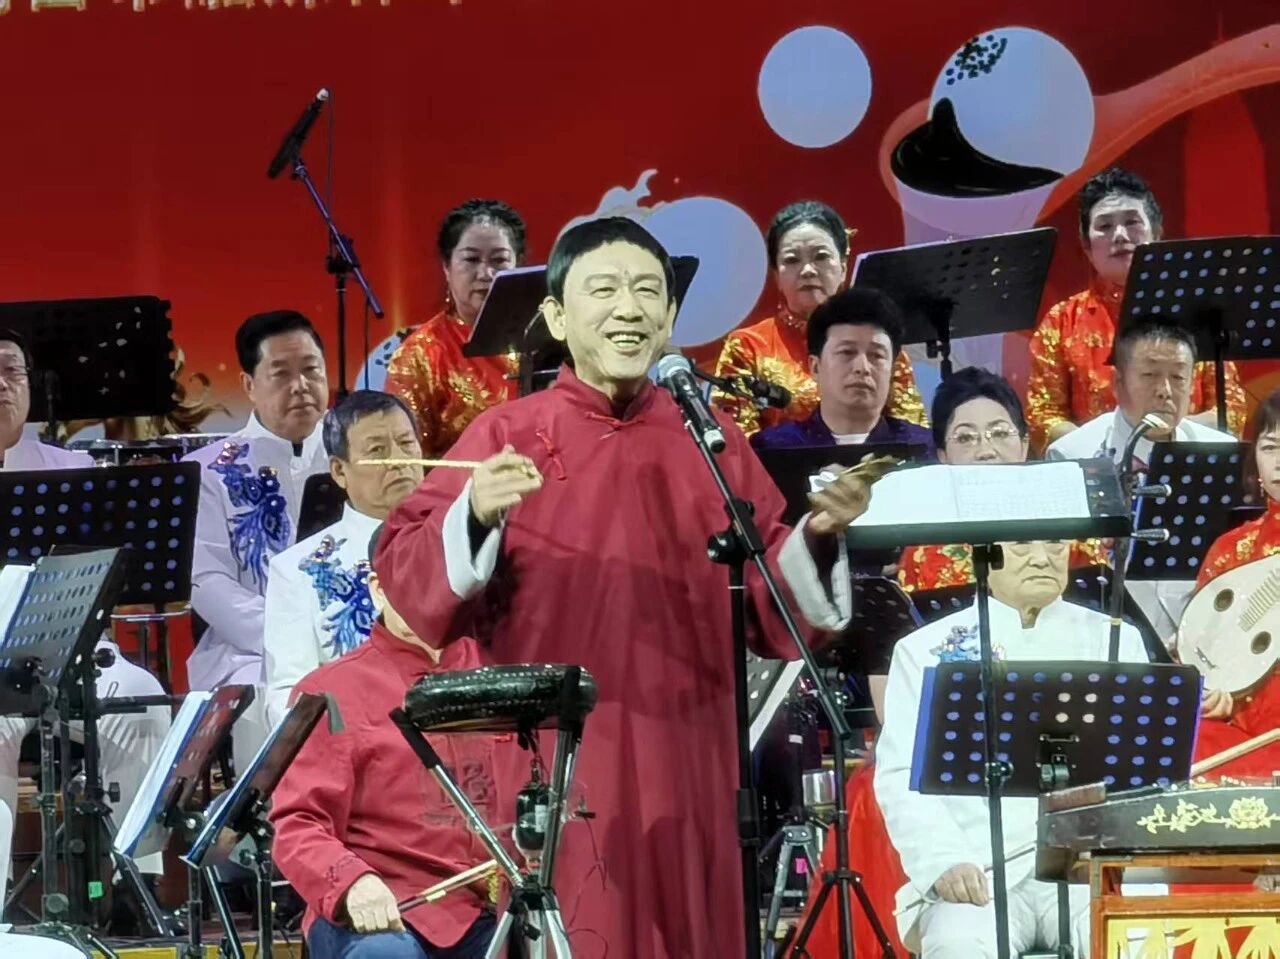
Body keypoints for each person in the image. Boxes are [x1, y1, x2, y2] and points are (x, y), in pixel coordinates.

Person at [375, 217, 870, 958]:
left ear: (669, 316)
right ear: (556, 317)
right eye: (603, 290)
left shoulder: (710, 438)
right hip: (565, 758)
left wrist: (819, 534)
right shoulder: (506, 435)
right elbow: (407, 574)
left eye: (647, 292)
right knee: (588, 923)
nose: (629, 309)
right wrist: (474, 512)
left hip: (694, 751)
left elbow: (770, 599)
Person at [875, 538, 1150, 958]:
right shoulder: (925, 649)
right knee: (957, 944)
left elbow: (1141, 773)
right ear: (985, 556)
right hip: (977, 872)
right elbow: (899, 775)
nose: (1041, 558)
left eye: (1055, 544)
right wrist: (944, 860)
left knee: (1136, 943)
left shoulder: (1116, 640)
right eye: (1021, 545)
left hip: (1084, 871)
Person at [271, 525, 500, 959]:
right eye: (411, 580)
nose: (428, 597)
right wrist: (351, 881)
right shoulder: (329, 691)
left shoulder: (501, 674)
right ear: (378, 589)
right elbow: (299, 823)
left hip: (488, 905)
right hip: (386, 904)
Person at [0, 330, 170, 893]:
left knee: (140, 699)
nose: (2, 385)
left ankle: (133, 888)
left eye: (12, 371)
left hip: (71, 650)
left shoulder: (72, 471)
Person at [185, 310, 329, 772]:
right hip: (248, 650)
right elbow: (207, 581)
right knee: (266, 694)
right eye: (281, 374)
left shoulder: (356, 455)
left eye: (311, 370)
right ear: (249, 385)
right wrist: (289, 636)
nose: (301, 386)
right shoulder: (211, 471)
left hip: (349, 634)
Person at [1026, 167, 1245, 451]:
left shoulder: (1198, 313)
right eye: (1104, 226)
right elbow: (1043, 418)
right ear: (1086, 247)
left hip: (1184, 464)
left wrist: (1161, 439)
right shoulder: (1061, 321)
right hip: (1098, 468)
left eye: (1131, 222)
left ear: (1156, 233)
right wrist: (1113, 448)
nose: (1119, 235)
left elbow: (1230, 411)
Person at [262, 390, 424, 725]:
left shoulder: (461, 543)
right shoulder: (297, 570)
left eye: (407, 444)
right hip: (359, 740)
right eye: (377, 450)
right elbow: (287, 696)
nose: (399, 460)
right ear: (338, 471)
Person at [713, 200, 925, 436]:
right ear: (776, 276)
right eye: (792, 260)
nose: (808, 270)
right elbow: (735, 442)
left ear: (843, 267)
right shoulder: (748, 346)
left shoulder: (878, 343)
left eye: (821, 257)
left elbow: (911, 434)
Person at [900, 367, 1104, 592]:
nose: (986, 451)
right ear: (943, 456)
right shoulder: (925, 549)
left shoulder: (1069, 531)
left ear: (1024, 445)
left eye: (1000, 434)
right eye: (965, 438)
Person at [1181, 386, 1280, 779]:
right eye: (1270, 447)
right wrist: (1211, 693)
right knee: (1183, 741)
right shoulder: (1230, 548)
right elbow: (1201, 652)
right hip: (1240, 728)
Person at [385, 199, 527, 457]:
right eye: (471, 259)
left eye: (499, 260)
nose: (486, 273)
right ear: (447, 268)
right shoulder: (419, 356)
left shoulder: (552, 337)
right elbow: (407, 459)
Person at [750, 286, 936, 456]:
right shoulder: (773, 448)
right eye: (847, 352)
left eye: (876, 355)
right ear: (815, 367)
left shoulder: (922, 449)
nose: (862, 368)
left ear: (892, 370)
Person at [1046, 320, 1235, 466]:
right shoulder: (1073, 455)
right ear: (1118, 383)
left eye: (1178, 377)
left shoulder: (1221, 454)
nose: (1165, 391)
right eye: (1150, 375)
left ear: (1192, 384)